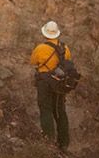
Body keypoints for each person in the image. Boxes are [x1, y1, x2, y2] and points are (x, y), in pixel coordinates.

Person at [31, 20, 74, 150]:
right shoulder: (65, 48)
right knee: (60, 111)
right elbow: (69, 62)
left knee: (45, 110)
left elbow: (33, 62)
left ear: (45, 34)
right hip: (59, 83)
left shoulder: (40, 48)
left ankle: (48, 141)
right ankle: (64, 143)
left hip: (44, 83)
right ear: (57, 34)